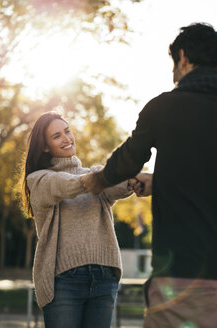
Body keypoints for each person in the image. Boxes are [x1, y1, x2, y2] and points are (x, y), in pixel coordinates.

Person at [81, 23, 217, 327]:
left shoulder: (165, 107)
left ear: (182, 57)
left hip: (184, 277)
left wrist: (97, 180)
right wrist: (160, 181)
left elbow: (127, 161)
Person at [20, 111, 142, 328]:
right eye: (57, 136)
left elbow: (117, 184)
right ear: (45, 146)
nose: (67, 139)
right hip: (63, 282)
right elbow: (63, 184)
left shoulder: (96, 174)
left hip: (104, 278)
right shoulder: (38, 180)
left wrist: (135, 180)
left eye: (67, 131)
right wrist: (97, 180)